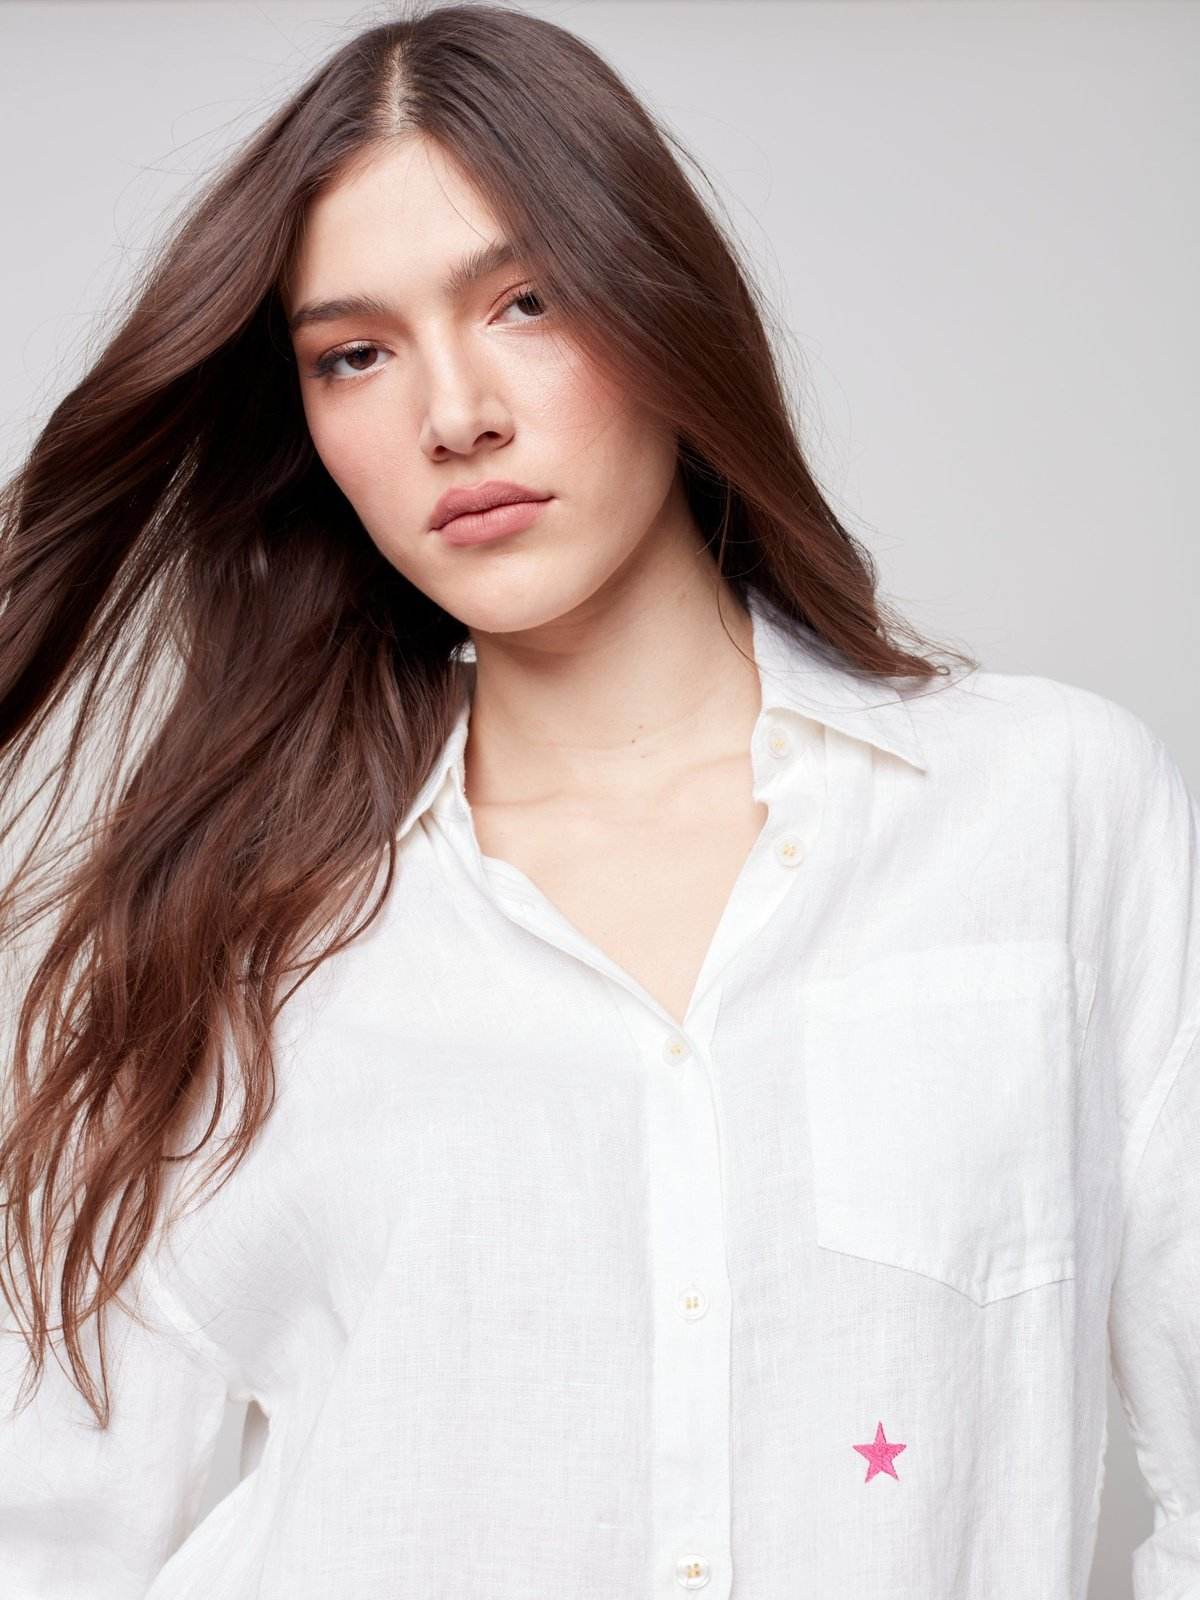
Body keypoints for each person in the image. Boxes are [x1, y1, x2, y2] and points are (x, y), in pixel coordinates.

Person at [0, 5, 1195, 1597]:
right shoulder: (234, 936)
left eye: (528, 301)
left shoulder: (1045, 810)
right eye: (356, 354)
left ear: (661, 304)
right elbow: (52, 1537)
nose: (454, 414)